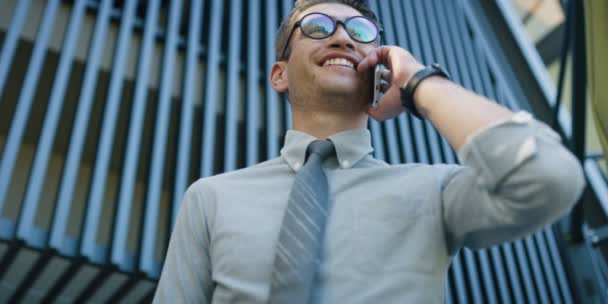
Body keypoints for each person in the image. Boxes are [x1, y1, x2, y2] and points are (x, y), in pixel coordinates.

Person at [153, 0, 585, 303]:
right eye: (318, 27)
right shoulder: (210, 198)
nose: (341, 36)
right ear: (279, 74)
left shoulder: (435, 191)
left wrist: (419, 82)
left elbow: (550, 178)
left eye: (360, 32)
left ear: (380, 71)